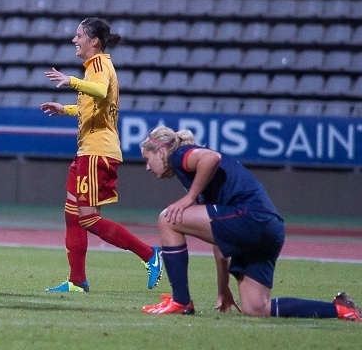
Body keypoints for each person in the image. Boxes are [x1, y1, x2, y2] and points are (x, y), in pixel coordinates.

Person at [139, 125, 361, 322]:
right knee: (257, 307)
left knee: (167, 218)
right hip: (269, 228)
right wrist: (223, 287)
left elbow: (211, 158)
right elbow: (219, 238)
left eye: (147, 160)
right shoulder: (205, 184)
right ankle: (341, 310)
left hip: (249, 216)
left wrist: (188, 199)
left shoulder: (179, 155)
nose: (148, 168)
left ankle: (181, 301)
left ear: (160, 151)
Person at [40, 17, 161, 293]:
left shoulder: (99, 65)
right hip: (86, 152)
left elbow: (100, 90)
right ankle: (77, 281)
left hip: (98, 153)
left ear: (94, 41)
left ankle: (150, 254)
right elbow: (93, 105)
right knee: (73, 215)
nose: (74, 40)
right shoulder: (93, 69)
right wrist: (65, 109)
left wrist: (69, 80)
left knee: (88, 218)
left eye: (79, 35)